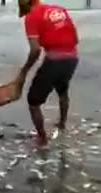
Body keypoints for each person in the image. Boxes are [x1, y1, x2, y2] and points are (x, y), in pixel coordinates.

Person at [16, 0, 79, 145]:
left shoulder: (32, 16)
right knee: (62, 91)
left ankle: (42, 139)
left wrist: (24, 70)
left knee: (33, 101)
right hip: (72, 58)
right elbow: (74, 36)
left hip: (55, 60)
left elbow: (35, 50)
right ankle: (62, 125)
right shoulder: (59, 9)